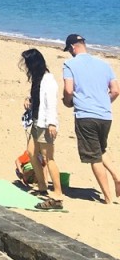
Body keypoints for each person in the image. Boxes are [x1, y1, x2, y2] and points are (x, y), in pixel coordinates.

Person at [62, 33, 120, 204]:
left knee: (93, 157)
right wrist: (103, 101)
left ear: (73, 47)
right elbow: (116, 90)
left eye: (69, 50)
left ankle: (108, 197)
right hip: (105, 115)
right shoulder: (104, 63)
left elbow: (68, 90)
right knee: (100, 149)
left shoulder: (69, 64)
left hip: (86, 115)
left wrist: (67, 102)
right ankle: (117, 175)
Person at [19, 49, 65, 210]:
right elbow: (37, 97)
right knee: (31, 152)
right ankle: (42, 185)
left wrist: (52, 123)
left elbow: (51, 103)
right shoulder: (37, 79)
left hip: (46, 123)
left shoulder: (49, 80)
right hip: (36, 121)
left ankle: (58, 193)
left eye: (28, 63)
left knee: (48, 157)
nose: (25, 66)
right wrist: (28, 100)